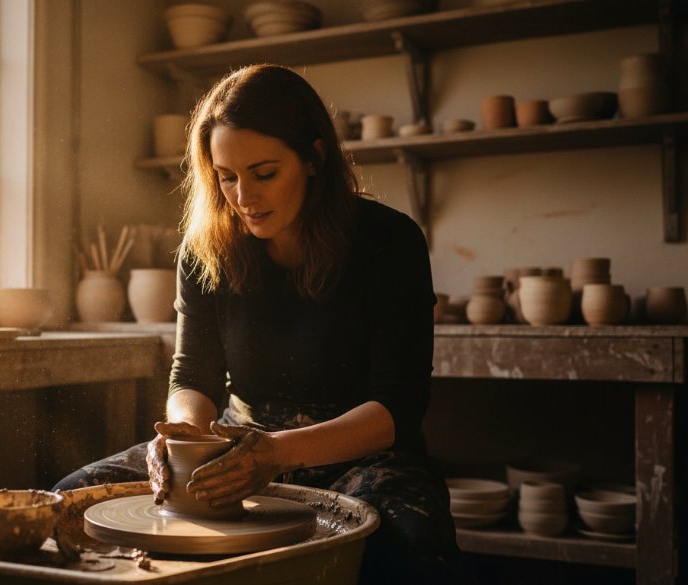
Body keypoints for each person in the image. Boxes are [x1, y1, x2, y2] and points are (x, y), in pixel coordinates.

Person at [54, 63, 470, 584]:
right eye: (226, 177)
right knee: (65, 503)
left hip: (363, 454)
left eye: (264, 173)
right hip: (238, 446)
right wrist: (186, 435)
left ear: (314, 158)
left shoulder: (389, 242)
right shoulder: (205, 250)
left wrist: (275, 455)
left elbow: (399, 408)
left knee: (410, 547)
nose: (243, 197)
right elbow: (191, 376)